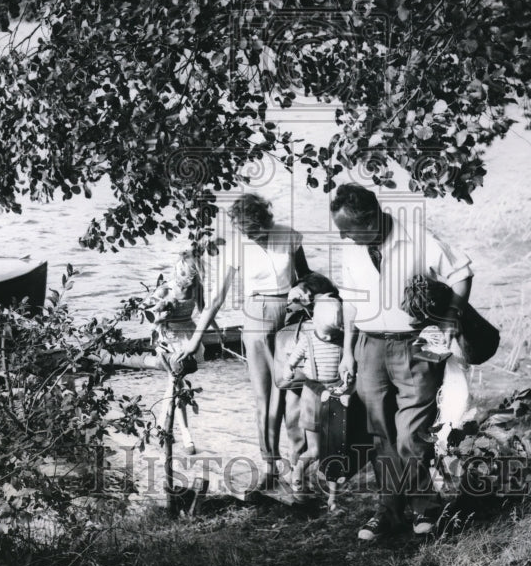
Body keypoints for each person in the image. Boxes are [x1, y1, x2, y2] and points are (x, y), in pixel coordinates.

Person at [331, 183, 473, 541]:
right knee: (382, 434)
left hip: (415, 346)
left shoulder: (418, 238)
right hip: (368, 347)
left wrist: (451, 316)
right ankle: (389, 511)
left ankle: (424, 507)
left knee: (411, 433)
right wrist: (348, 352)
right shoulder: (352, 251)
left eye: (348, 229)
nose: (344, 237)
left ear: (371, 219)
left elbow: (461, 273)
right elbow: (350, 303)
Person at [182, 193, 310, 488]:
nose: (248, 235)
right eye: (243, 230)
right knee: (265, 395)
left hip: (292, 316)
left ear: (266, 220)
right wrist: (195, 340)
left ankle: (298, 465)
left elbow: (305, 276)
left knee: (294, 392)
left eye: (253, 229)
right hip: (257, 316)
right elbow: (217, 296)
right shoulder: (236, 246)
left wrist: (313, 295)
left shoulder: (289, 236)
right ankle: (270, 463)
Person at [102, 250, 210, 455]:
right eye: (180, 272)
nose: (181, 277)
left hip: (187, 338)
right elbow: (145, 308)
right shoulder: (166, 288)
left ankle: (163, 422)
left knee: (174, 382)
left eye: (186, 274)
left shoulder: (197, 288)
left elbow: (205, 310)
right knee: (175, 381)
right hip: (166, 339)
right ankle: (184, 434)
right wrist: (161, 308)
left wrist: (216, 333)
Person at [281, 295, 344, 511]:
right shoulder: (307, 339)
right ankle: (297, 471)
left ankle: (333, 498)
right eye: (325, 332)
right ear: (314, 321)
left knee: (335, 450)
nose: (328, 338)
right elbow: (291, 361)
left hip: (337, 396)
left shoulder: (342, 340)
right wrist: (287, 370)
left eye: (333, 333)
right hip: (313, 394)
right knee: (316, 449)